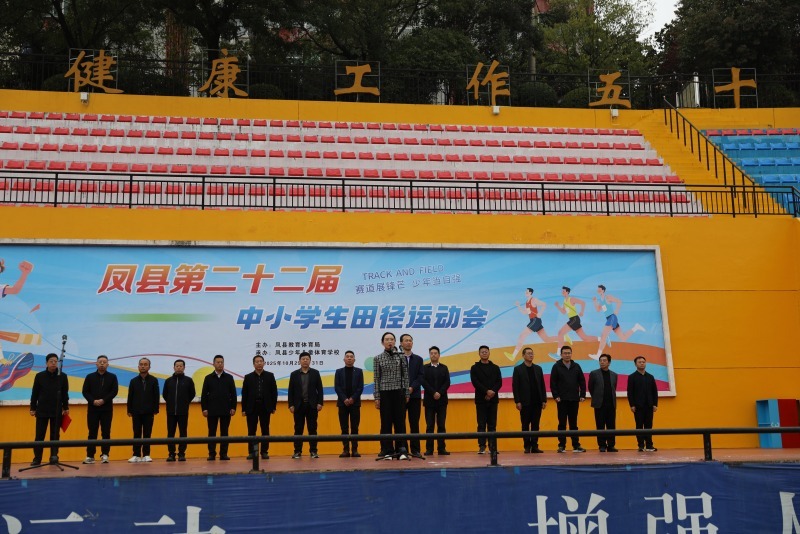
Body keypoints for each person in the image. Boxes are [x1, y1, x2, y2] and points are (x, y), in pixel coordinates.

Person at [373, 332, 409, 460]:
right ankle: (387, 450)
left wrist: (406, 393)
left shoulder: (401, 356)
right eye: (387, 339)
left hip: (399, 392)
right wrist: (377, 397)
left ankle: (401, 450)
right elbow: (376, 379)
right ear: (382, 342)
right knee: (386, 423)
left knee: (400, 422)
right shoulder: (378, 358)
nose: (390, 341)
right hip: (385, 393)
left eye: (392, 339)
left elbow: (406, 376)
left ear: (395, 342)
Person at [29, 353, 69, 466]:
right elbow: (35, 393)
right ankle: (37, 459)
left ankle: (54, 457)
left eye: (56, 361)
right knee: (39, 436)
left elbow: (65, 393)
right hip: (42, 410)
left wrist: (66, 407)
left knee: (55, 436)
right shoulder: (39, 376)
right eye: (51, 361)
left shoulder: (62, 376)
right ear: (46, 363)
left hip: (56, 410)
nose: (53, 363)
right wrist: (33, 407)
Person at [82, 355, 118, 464]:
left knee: (106, 432)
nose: (102, 364)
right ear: (96, 364)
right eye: (100, 362)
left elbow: (114, 391)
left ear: (108, 364)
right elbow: (85, 391)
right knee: (92, 432)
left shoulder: (112, 377)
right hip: (93, 409)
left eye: (104, 362)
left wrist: (104, 400)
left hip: (106, 409)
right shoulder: (90, 377)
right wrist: (93, 401)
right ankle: (90, 456)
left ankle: (105, 455)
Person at [591, 285, 645, 359]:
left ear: (603, 290)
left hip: (612, 317)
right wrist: (594, 301)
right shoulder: (601, 300)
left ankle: (598, 355)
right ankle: (636, 327)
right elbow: (598, 309)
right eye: (597, 290)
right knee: (623, 338)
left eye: (599, 289)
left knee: (603, 336)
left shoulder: (608, 297)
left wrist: (616, 311)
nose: (598, 290)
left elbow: (619, 301)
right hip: (609, 318)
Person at [549, 346, 586, 453]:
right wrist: (556, 396)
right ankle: (561, 445)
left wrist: (582, 395)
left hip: (574, 399)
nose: (567, 355)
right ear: (561, 355)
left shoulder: (576, 366)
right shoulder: (556, 366)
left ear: (571, 354)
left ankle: (576, 445)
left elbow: (582, 381)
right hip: (561, 400)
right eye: (565, 353)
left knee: (574, 423)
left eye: (569, 353)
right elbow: (553, 383)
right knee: (562, 423)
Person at [505, 288, 558, 361]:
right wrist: (518, 306)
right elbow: (525, 312)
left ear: (530, 293)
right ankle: (562, 337)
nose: (525, 292)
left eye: (527, 291)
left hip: (535, 320)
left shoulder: (533, 300)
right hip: (534, 321)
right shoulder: (527, 302)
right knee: (546, 339)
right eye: (525, 291)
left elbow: (544, 304)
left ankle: (513, 356)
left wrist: (540, 313)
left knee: (522, 336)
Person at [288, 351, 324, 459]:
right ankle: (297, 451)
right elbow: (291, 391)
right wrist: (291, 405)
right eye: (303, 359)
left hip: (312, 405)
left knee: (312, 429)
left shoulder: (315, 373)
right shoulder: (294, 374)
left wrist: (320, 403)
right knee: (298, 429)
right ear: (299, 361)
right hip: (298, 406)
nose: (305, 361)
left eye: (307, 359)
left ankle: (313, 451)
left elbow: (320, 389)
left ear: (310, 361)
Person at [201, 355, 237, 461]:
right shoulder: (208, 378)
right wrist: (204, 408)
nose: (220, 364)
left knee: (224, 432)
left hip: (226, 409)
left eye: (221, 362)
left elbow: (233, 394)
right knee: (212, 432)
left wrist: (233, 407)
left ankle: (223, 454)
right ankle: (211, 454)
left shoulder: (229, 377)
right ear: (213, 364)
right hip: (211, 410)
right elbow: (204, 395)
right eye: (218, 362)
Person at [241, 355, 278, 460]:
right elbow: (245, 394)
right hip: (251, 407)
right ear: (254, 364)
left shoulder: (270, 376)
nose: (259, 363)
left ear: (264, 363)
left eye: (261, 361)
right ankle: (252, 452)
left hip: (265, 407)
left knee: (265, 430)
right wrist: (243, 409)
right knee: (251, 431)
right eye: (257, 362)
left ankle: (264, 452)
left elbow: (274, 392)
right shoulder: (248, 377)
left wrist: (273, 406)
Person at [512, 347, 547, 453]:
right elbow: (515, 386)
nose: (531, 355)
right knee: (525, 424)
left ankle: (535, 446)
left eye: (532, 353)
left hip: (537, 401)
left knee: (536, 425)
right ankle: (527, 446)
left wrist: (544, 400)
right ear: (523, 355)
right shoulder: (518, 369)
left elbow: (542, 385)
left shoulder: (538, 369)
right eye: (528, 353)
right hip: (524, 402)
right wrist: (517, 401)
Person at [127, 357, 160, 463]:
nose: (143, 366)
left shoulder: (154, 380)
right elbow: (130, 396)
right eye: (141, 364)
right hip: (136, 411)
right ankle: (136, 454)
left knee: (147, 433)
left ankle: (146, 454)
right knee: (136, 433)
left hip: (149, 412)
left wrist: (156, 409)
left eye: (145, 364)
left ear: (149, 367)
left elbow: (156, 396)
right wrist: (129, 409)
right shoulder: (133, 381)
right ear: (138, 367)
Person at [470, 345, 502, 454]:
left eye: (486, 351)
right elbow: (475, 382)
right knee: (481, 424)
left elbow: (499, 382)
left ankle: (493, 447)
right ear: (479, 354)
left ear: (489, 353)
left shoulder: (495, 367)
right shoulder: (474, 368)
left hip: (493, 399)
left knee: (492, 424)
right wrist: (486, 391)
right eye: (482, 352)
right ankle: (482, 446)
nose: (484, 353)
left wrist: (492, 392)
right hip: (481, 399)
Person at [162, 359, 196, 462]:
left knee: (183, 433)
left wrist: (184, 402)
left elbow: (192, 394)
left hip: (183, 411)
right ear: (174, 367)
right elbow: (165, 395)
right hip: (171, 412)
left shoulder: (188, 380)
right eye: (177, 366)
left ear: (184, 368)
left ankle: (181, 454)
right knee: (170, 433)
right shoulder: (168, 381)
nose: (179, 368)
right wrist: (171, 403)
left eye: (181, 366)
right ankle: (171, 454)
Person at [420, 345, 450, 456]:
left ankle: (442, 449)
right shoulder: (424, 368)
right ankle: (429, 449)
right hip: (429, 401)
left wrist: (439, 393)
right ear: (429, 355)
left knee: (441, 425)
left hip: (442, 401)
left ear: (439, 355)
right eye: (431, 353)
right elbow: (423, 382)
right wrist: (433, 393)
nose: (433, 355)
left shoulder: (444, 367)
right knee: (430, 426)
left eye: (435, 353)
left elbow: (447, 382)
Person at [551, 286, 595, 360]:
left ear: (567, 292)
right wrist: (557, 306)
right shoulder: (565, 301)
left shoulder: (571, 299)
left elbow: (583, 303)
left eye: (564, 291)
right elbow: (563, 312)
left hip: (574, 319)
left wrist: (582, 312)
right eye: (562, 291)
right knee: (585, 338)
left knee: (560, 333)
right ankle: (602, 339)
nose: (562, 292)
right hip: (573, 319)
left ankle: (558, 354)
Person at [334, 350, 364, 458]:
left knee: (355, 428)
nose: (349, 358)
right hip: (343, 404)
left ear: (354, 359)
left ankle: (355, 450)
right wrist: (344, 399)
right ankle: (345, 450)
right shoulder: (338, 372)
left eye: (351, 356)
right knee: (344, 428)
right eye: (347, 356)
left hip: (355, 404)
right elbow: (337, 387)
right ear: (344, 359)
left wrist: (352, 398)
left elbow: (360, 387)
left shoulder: (359, 371)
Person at [400, 333, 425, 458]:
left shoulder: (419, 359)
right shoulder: (397, 358)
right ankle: (403, 449)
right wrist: (405, 389)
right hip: (400, 396)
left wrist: (411, 388)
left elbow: (421, 376)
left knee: (414, 423)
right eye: (406, 340)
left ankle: (415, 450)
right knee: (401, 423)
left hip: (414, 395)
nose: (408, 342)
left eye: (410, 340)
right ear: (401, 343)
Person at [588, 354, 618, 452]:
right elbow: (591, 388)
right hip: (599, 404)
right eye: (600, 360)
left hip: (611, 404)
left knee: (611, 426)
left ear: (609, 362)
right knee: (600, 425)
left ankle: (611, 445)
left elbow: (614, 388)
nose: (602, 362)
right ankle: (602, 445)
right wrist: (597, 397)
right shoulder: (594, 373)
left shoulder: (614, 375)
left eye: (604, 360)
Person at [627, 356, 659, 452]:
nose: (642, 363)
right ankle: (641, 445)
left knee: (649, 426)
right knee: (639, 426)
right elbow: (630, 392)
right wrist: (632, 405)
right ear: (635, 364)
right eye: (639, 362)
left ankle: (649, 445)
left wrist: (655, 404)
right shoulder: (632, 377)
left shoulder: (650, 377)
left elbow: (654, 392)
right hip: (638, 406)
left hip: (649, 406)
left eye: (643, 362)